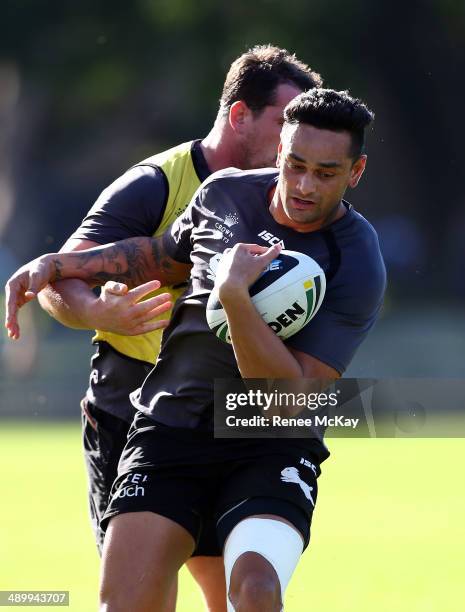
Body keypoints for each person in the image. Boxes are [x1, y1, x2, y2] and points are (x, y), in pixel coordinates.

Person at [5, 88, 386, 611]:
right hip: (170, 422)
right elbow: (161, 256)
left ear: (355, 171)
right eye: (294, 164)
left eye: (324, 173)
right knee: (126, 603)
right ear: (279, 150)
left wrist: (235, 298)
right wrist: (60, 264)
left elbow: (287, 399)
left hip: (266, 438)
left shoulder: (358, 260)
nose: (302, 184)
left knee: (253, 593)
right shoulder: (225, 193)